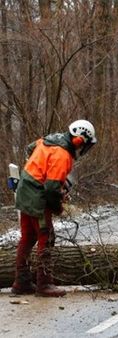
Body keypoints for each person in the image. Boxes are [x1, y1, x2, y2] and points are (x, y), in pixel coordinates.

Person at [11, 120, 97, 297]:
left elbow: (30, 148)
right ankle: (44, 284)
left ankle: (22, 282)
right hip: (37, 196)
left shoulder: (50, 139)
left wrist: (49, 173)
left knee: (27, 237)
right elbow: (50, 190)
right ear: (79, 140)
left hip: (24, 189)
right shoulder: (63, 155)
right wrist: (58, 207)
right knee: (46, 237)